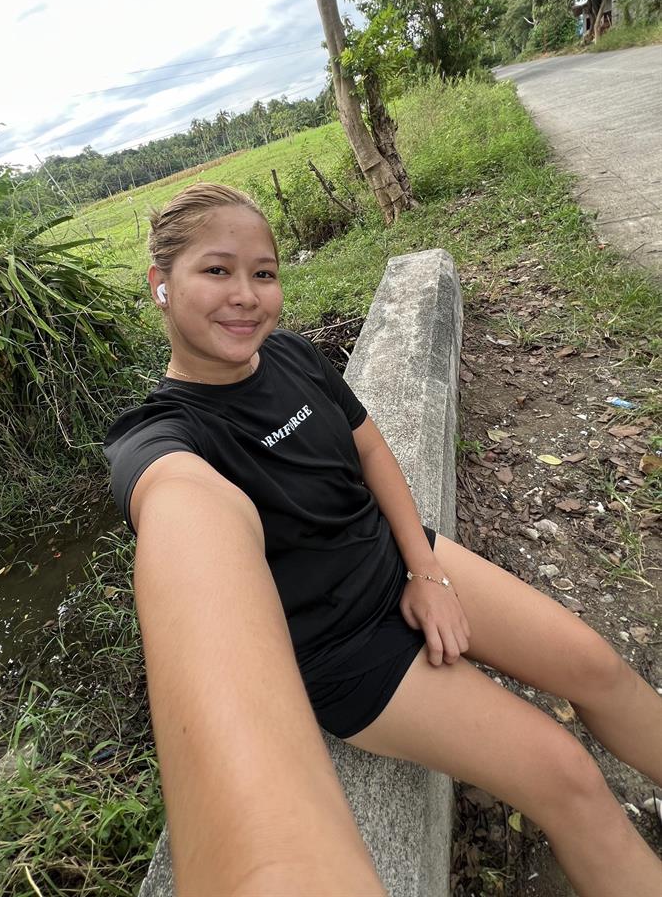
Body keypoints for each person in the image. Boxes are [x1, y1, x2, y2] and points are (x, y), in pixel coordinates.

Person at [103, 182, 662, 897]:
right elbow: (183, 517)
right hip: (347, 652)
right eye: (217, 270)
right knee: (568, 776)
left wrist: (425, 571)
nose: (245, 295)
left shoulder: (291, 356)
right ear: (161, 284)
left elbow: (368, 447)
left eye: (263, 273)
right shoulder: (161, 437)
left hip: (403, 560)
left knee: (599, 668)